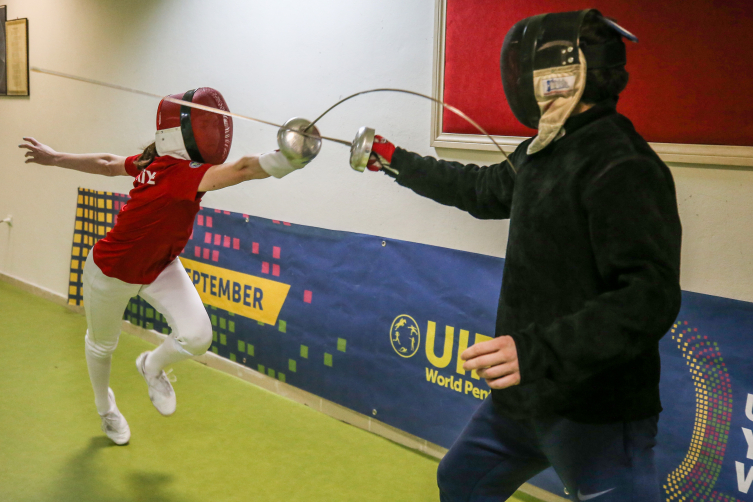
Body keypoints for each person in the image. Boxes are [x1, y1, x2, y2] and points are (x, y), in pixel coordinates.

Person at [355, 10, 681, 502]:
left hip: (594, 408)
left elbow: (649, 297)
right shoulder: (547, 148)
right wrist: (395, 159)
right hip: (526, 395)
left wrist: (536, 352)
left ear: (564, 76)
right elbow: (481, 188)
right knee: (461, 481)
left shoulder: (623, 164)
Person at [19, 87, 319, 446]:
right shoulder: (162, 167)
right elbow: (108, 163)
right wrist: (55, 158)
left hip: (161, 266)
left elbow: (241, 168)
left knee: (197, 336)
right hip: (111, 272)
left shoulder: (182, 170)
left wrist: (288, 158)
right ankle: (106, 408)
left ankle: (152, 365)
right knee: (102, 347)